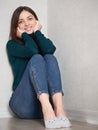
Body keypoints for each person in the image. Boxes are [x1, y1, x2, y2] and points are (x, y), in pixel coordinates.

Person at [6, 6, 71, 129]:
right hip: (22, 105)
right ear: (16, 27)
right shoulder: (12, 45)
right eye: (20, 21)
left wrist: (38, 33)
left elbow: (50, 50)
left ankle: (59, 110)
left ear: (37, 21)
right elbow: (32, 51)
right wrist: (25, 35)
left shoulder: (41, 40)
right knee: (37, 58)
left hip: (40, 108)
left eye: (30, 19)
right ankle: (48, 110)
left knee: (49, 58)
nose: (26, 23)